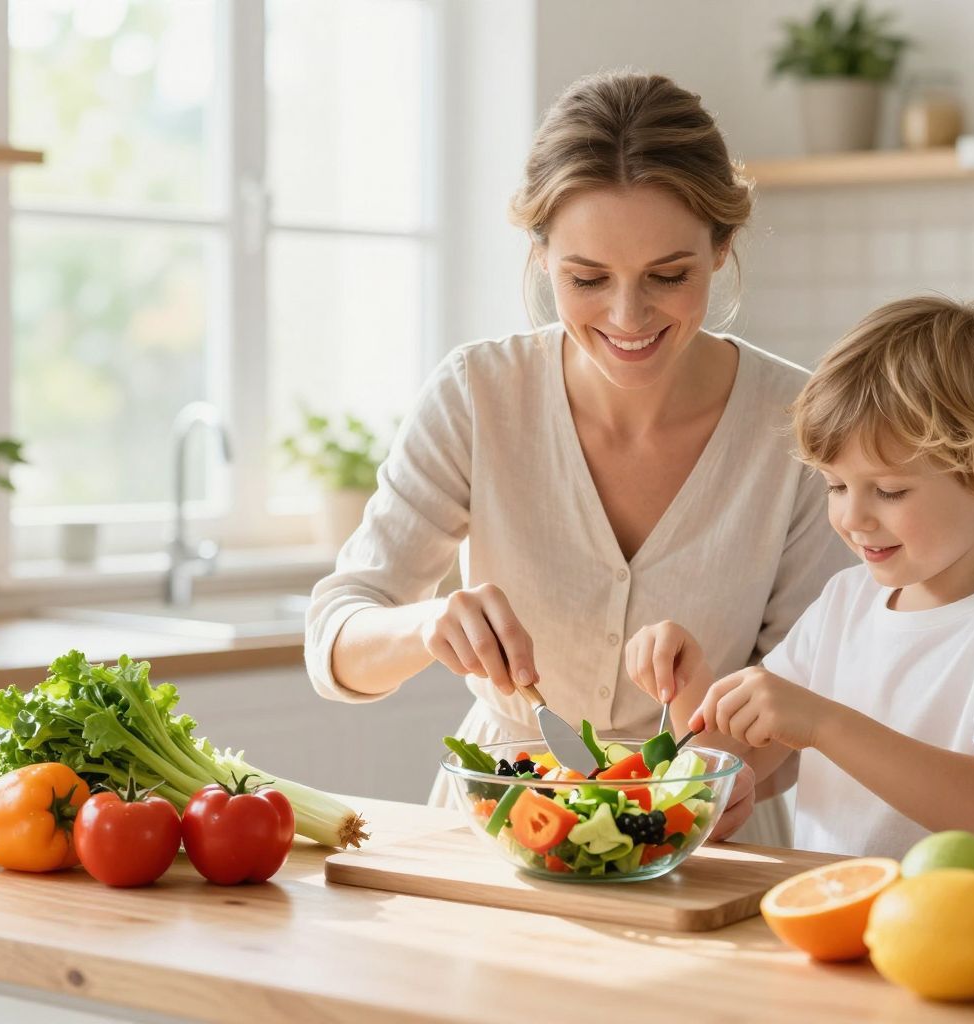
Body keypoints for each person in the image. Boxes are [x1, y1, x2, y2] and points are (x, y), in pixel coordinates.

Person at [304, 70, 850, 844]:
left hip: (702, 831)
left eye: (668, 276)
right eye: (587, 278)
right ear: (540, 254)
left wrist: (727, 772)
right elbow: (333, 642)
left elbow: (808, 681)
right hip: (504, 825)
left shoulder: (800, 425)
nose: (628, 317)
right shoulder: (477, 394)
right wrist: (428, 626)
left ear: (722, 247)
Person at [627, 295, 974, 857]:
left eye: (890, 491)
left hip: (971, 914)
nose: (852, 518)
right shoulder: (844, 602)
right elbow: (739, 766)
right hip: (828, 905)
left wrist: (824, 724)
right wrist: (692, 683)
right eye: (835, 486)